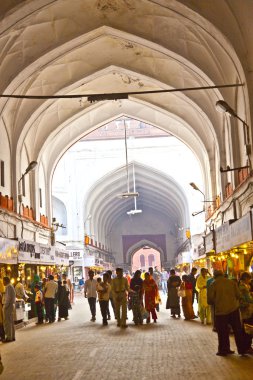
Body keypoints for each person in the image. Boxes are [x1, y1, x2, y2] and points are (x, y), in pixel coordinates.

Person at [207, 270, 246, 356]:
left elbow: (210, 300)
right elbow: (239, 295)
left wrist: (218, 301)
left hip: (221, 312)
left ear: (214, 276)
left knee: (222, 332)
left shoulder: (213, 284)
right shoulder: (231, 283)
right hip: (234, 310)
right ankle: (242, 350)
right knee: (237, 330)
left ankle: (224, 350)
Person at [238, 272, 253, 355]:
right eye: (249, 279)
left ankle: (246, 347)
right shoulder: (243, 287)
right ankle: (247, 347)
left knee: (246, 329)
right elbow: (248, 299)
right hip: (246, 311)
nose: (250, 280)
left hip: (245, 310)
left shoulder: (242, 285)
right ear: (246, 278)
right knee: (247, 329)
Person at [2, 277, 16, 342]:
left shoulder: (8, 287)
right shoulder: (11, 286)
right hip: (11, 306)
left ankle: (8, 337)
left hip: (8, 306)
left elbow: (8, 298)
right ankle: (12, 336)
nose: (2, 282)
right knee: (11, 322)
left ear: (6, 281)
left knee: (7, 322)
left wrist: (5, 306)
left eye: (3, 281)